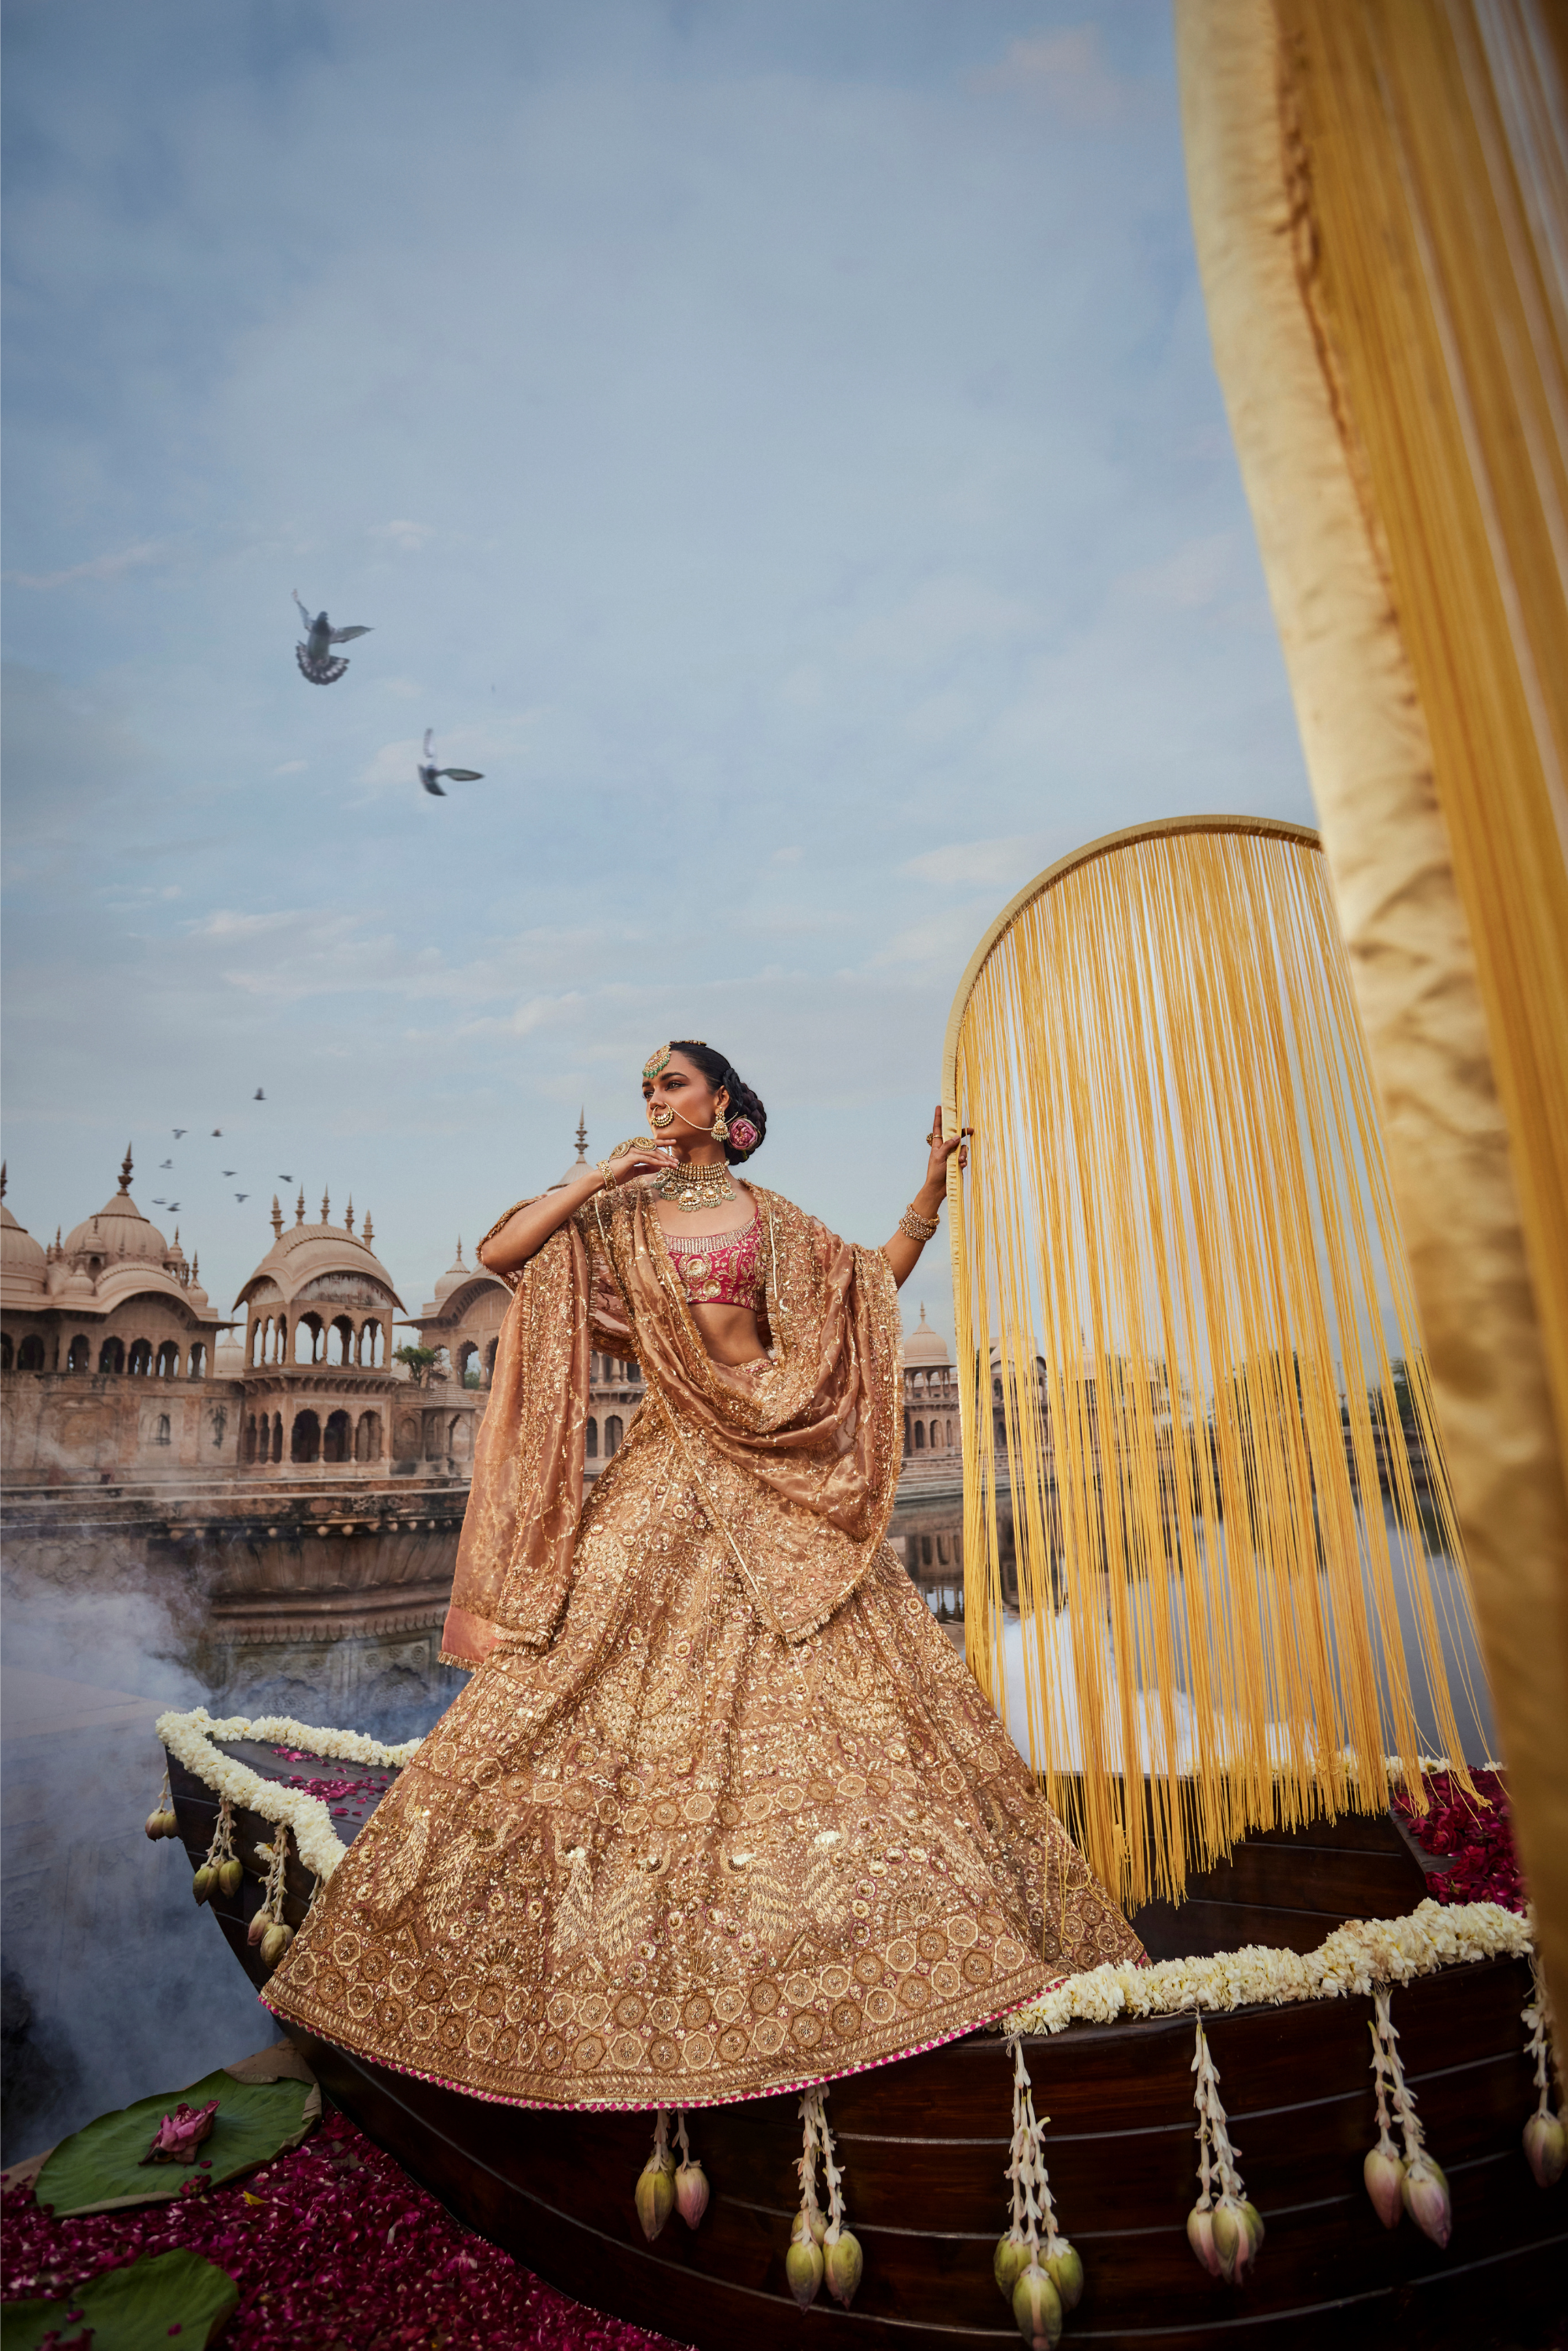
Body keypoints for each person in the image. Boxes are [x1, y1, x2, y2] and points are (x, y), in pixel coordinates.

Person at [263, 1041, 1141, 2107]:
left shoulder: (773, 1219)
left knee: (854, 1702)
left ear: (721, 1101)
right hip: (670, 1463)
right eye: (646, 1088)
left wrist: (930, 1191)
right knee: (577, 1675)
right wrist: (599, 1176)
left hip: (776, 1460)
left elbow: (867, 1291)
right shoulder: (620, 1214)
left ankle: (882, 1949)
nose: (655, 1099)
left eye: (672, 1083)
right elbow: (503, 1253)